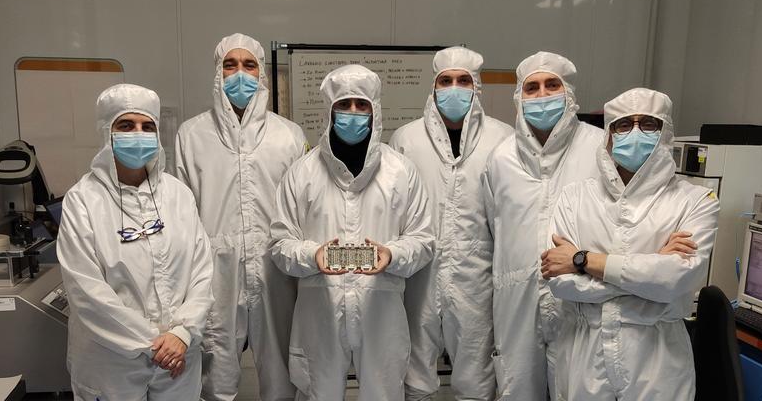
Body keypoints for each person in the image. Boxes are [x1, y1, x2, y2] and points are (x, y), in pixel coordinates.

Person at [269, 64, 435, 401]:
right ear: (330, 111)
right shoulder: (302, 174)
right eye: (344, 105)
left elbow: (423, 239)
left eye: (362, 105)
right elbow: (279, 243)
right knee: (318, 392)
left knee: (384, 393)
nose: (353, 113)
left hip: (382, 311)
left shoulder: (401, 172)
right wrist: (312, 255)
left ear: (375, 110)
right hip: (320, 315)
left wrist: (391, 255)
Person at [542, 88, 719, 400]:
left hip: (658, 357)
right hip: (585, 353)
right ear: (608, 135)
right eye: (624, 125)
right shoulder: (574, 198)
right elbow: (560, 283)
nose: (635, 132)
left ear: (665, 132)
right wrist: (651, 266)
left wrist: (583, 260)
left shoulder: (695, 201)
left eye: (648, 124)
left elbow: (677, 279)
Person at [57, 83, 213, 400]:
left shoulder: (178, 195)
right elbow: (86, 291)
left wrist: (182, 334)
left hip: (178, 359)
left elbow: (202, 273)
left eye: (147, 126)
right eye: (126, 125)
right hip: (112, 363)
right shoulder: (83, 200)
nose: (138, 133)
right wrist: (155, 345)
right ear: (106, 133)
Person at [175, 33, 307, 401]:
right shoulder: (191, 134)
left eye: (248, 64)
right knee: (216, 369)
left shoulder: (289, 136)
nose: (239, 74)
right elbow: (184, 211)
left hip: (275, 268)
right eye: (229, 65)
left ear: (262, 73)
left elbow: (300, 210)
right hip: (214, 269)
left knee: (281, 370)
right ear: (217, 73)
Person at [389, 46, 512, 400]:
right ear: (433, 87)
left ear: (477, 88)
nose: (454, 88)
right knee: (415, 371)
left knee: (476, 375)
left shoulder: (502, 139)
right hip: (417, 276)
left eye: (464, 81)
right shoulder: (406, 139)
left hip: (477, 276)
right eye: (446, 81)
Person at [481, 51, 604, 399]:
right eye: (532, 87)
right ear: (519, 96)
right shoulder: (501, 158)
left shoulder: (598, 148)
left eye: (553, 85)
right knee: (517, 388)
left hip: (580, 300)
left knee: (577, 389)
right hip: (516, 303)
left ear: (569, 93)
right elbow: (494, 227)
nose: (542, 95)